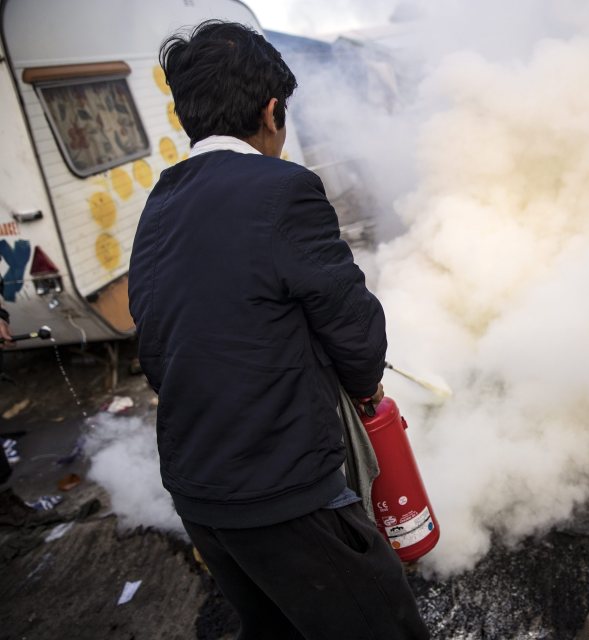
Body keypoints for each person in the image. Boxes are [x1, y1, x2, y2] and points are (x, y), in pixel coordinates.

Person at [128, 21, 429, 640]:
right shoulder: (283, 188)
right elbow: (353, 328)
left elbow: (156, 344)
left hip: (200, 496)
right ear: (272, 112)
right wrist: (365, 390)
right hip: (284, 495)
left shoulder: (161, 201)